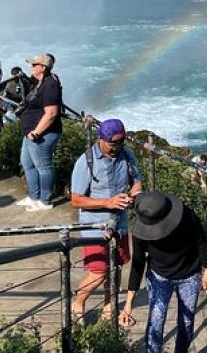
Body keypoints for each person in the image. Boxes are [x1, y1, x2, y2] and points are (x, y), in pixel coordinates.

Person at [121, 192, 207, 353]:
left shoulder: (188, 216)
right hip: (158, 276)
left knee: (186, 321)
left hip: (189, 274)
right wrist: (129, 302)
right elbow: (138, 262)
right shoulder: (140, 232)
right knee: (156, 320)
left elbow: (201, 242)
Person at [70, 118, 143, 320]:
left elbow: (137, 184)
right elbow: (76, 200)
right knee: (99, 270)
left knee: (117, 266)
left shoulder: (127, 155)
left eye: (121, 142)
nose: (117, 147)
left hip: (119, 224)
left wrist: (133, 197)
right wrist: (107, 202)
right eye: (113, 143)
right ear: (100, 139)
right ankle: (79, 301)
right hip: (95, 227)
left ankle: (110, 304)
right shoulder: (86, 161)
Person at [17, 54, 62, 211]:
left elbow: (51, 113)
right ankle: (34, 197)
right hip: (30, 132)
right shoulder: (39, 83)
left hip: (41, 134)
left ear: (42, 67)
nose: (31, 67)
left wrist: (36, 133)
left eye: (34, 65)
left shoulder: (50, 85)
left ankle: (45, 200)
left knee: (43, 167)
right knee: (28, 164)